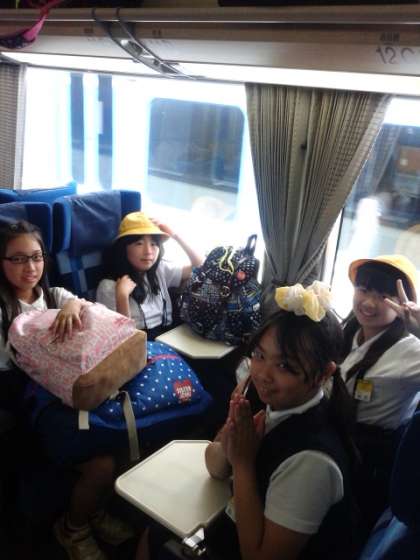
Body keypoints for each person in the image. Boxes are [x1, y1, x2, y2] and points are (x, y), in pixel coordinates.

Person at [137, 281, 359, 560]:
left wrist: (242, 464)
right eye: (259, 355)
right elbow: (215, 467)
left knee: (156, 539)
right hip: (237, 522)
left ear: (323, 374)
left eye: (285, 366)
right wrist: (231, 434)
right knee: (154, 531)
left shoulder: (312, 462)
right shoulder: (260, 394)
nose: (263, 374)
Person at [0, 220, 132, 560]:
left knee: (122, 437)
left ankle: (93, 511)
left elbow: (84, 307)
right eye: (17, 259)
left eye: (36, 257)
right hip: (30, 401)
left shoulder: (54, 296)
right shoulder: (3, 310)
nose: (30, 267)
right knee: (102, 463)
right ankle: (73, 528)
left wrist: (74, 306)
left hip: (72, 385)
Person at [341, 254, 420, 531]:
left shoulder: (411, 350)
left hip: (369, 458)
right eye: (363, 290)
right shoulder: (348, 330)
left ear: (402, 304)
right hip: (336, 437)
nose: (369, 303)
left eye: (384, 296)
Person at [96, 211, 202, 340]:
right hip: (138, 343)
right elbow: (121, 339)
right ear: (124, 248)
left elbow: (200, 268)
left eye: (154, 244)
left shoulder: (160, 270)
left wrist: (175, 236)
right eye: (139, 243)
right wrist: (122, 297)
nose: (148, 252)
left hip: (167, 336)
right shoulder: (108, 286)